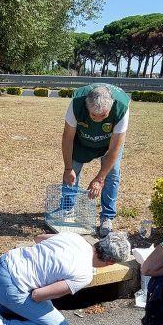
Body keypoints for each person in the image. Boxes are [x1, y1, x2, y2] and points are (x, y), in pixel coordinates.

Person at [0, 230, 131, 325]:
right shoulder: (84, 274)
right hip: (10, 286)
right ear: (110, 263)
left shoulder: (75, 237)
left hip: (1, 264)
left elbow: (38, 238)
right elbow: (37, 295)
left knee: (30, 303)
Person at [61, 84, 130, 237]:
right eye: (93, 116)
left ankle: (107, 217)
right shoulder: (77, 104)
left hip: (108, 144)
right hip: (81, 140)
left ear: (111, 108)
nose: (98, 120)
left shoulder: (121, 108)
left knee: (112, 174)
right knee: (73, 171)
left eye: (103, 116)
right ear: (87, 105)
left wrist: (100, 178)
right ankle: (67, 210)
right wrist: (68, 168)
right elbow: (67, 138)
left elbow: (114, 150)